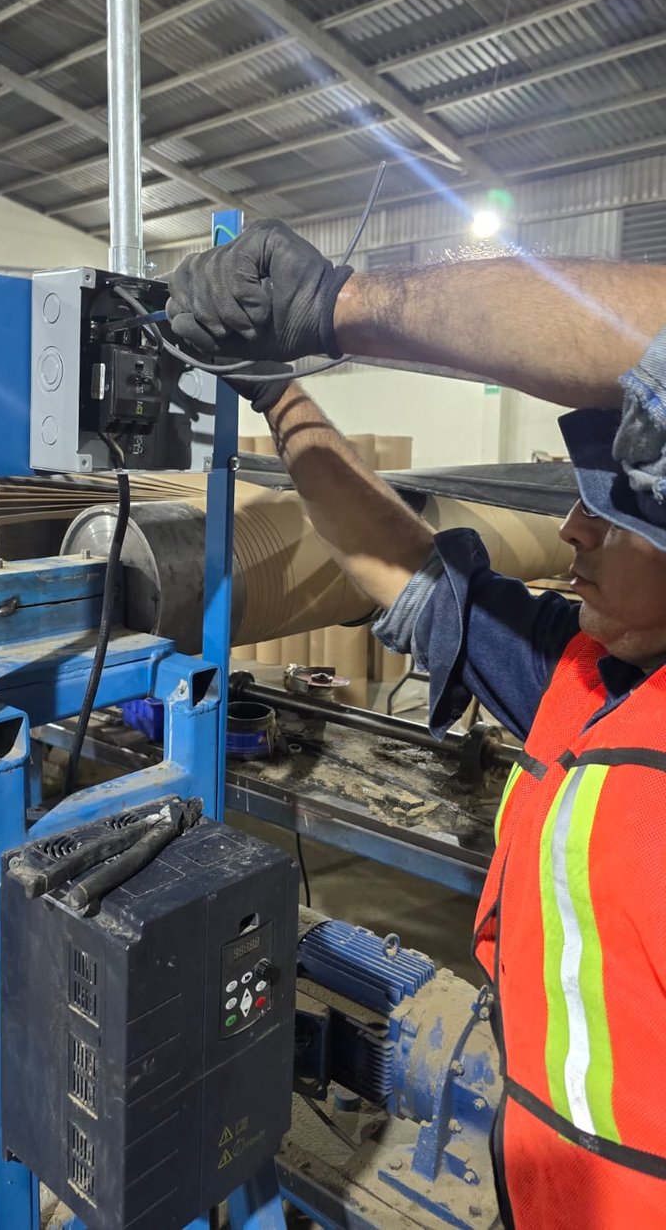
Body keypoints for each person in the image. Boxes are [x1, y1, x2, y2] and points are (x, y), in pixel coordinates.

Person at [165, 221, 666, 1230]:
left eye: (611, 511)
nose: (570, 528)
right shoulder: (583, 673)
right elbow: (404, 570)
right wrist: (277, 392)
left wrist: (342, 306)